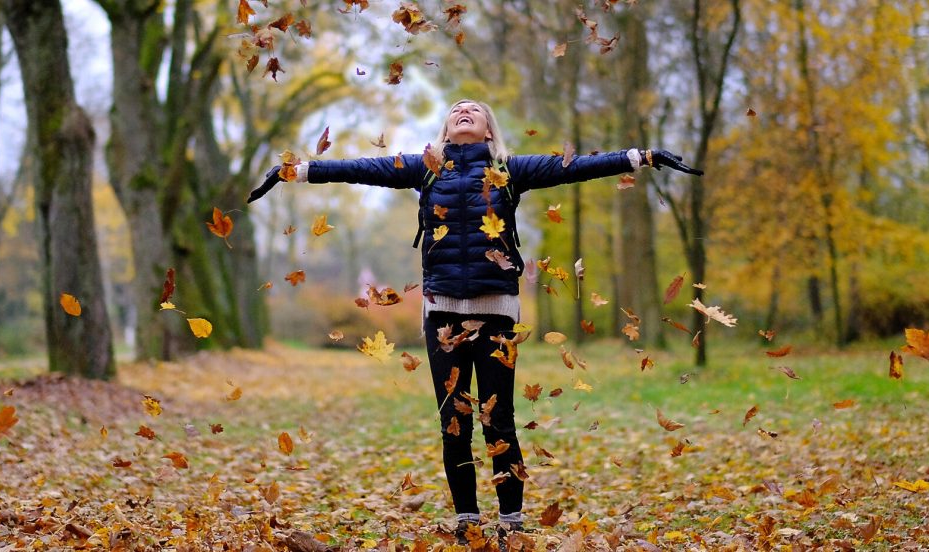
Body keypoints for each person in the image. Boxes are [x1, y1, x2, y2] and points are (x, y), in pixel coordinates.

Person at [248, 99, 702, 545]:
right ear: (446, 129)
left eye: (475, 110)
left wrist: (641, 157)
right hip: (442, 312)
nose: (464, 112)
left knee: (499, 419)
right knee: (454, 421)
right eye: (456, 111)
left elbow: (574, 166)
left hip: (496, 311)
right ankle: (467, 520)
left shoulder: (508, 169)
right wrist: (295, 171)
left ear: (488, 129)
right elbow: (360, 168)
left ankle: (511, 522)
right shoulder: (425, 168)